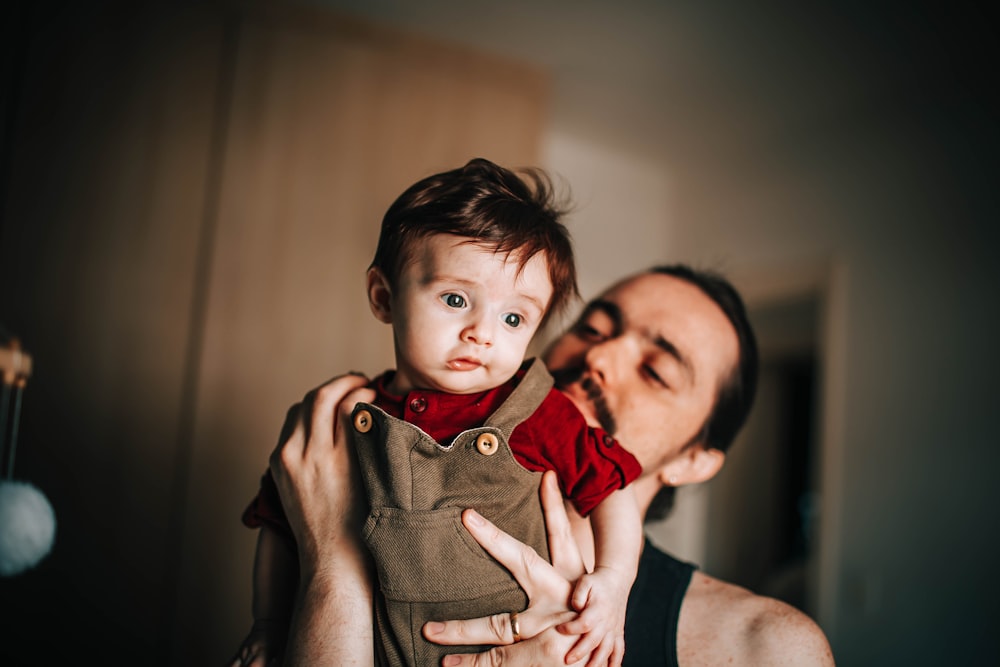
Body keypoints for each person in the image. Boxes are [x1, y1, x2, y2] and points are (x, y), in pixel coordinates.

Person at [264, 264, 837, 666]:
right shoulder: (364, 499)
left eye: (656, 370)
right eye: (593, 328)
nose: (599, 357)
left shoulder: (768, 647)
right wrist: (333, 563)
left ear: (695, 460)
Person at [233, 159, 643, 667]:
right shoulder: (342, 419)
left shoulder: (537, 411)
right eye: (455, 299)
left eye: (513, 317)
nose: (483, 332)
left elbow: (613, 491)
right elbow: (280, 523)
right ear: (384, 297)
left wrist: (614, 582)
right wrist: (269, 623)